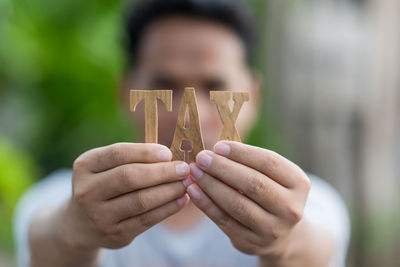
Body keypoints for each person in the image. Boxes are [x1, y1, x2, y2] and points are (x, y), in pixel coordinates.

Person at [14, 0, 350, 266]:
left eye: (215, 87)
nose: (191, 113)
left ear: (253, 96)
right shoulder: (71, 199)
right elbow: (46, 243)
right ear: (126, 93)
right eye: (165, 86)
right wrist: (74, 230)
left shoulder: (302, 203)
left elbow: (313, 250)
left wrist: (285, 242)